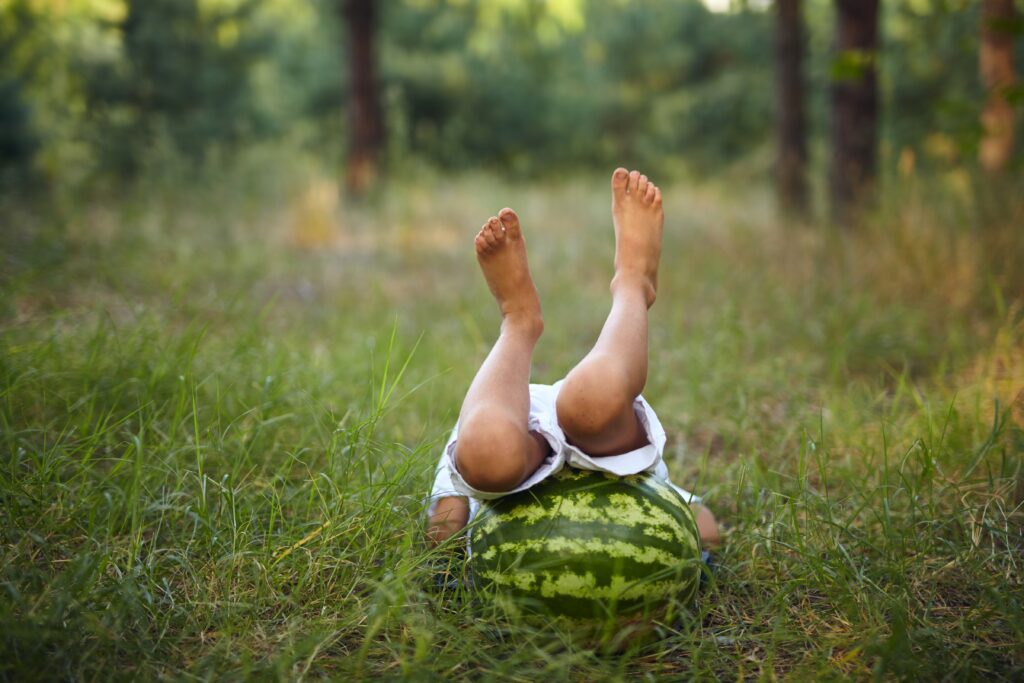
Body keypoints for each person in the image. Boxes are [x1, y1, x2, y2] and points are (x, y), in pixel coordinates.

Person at [426, 168, 720, 549]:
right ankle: (525, 318)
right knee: (521, 436)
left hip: (595, 465)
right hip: (527, 462)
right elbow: (706, 529)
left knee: (554, 419)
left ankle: (621, 286)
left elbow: (442, 526)